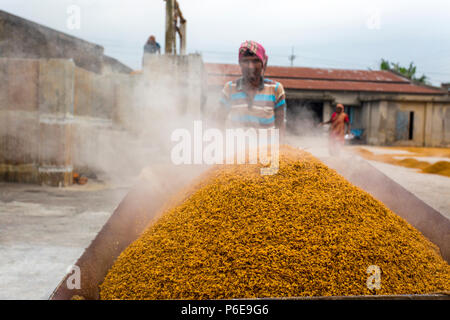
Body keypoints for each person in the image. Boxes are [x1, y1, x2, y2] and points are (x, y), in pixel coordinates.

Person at [217, 40, 286, 142]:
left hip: (266, 152)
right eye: (245, 61)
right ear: (240, 64)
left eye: (255, 61)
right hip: (236, 151)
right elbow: (218, 121)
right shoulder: (230, 89)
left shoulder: (275, 89)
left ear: (263, 64)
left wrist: (280, 150)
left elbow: (280, 127)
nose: (250, 66)